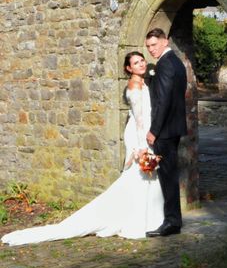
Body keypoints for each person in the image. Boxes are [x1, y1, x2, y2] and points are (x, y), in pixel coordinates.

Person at [1, 52, 164, 246]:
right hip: (140, 134)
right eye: (136, 63)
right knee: (139, 176)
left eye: (142, 60)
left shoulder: (144, 83)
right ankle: (135, 221)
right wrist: (140, 147)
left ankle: (149, 218)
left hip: (145, 132)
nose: (141, 64)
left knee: (146, 178)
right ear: (128, 68)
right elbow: (138, 120)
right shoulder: (135, 86)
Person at [144, 28, 187, 237]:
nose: (151, 50)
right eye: (148, 46)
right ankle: (172, 219)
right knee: (169, 175)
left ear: (164, 41)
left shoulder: (165, 64)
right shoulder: (177, 62)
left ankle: (172, 222)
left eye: (154, 44)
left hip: (166, 131)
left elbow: (163, 101)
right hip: (173, 128)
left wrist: (154, 130)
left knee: (168, 176)